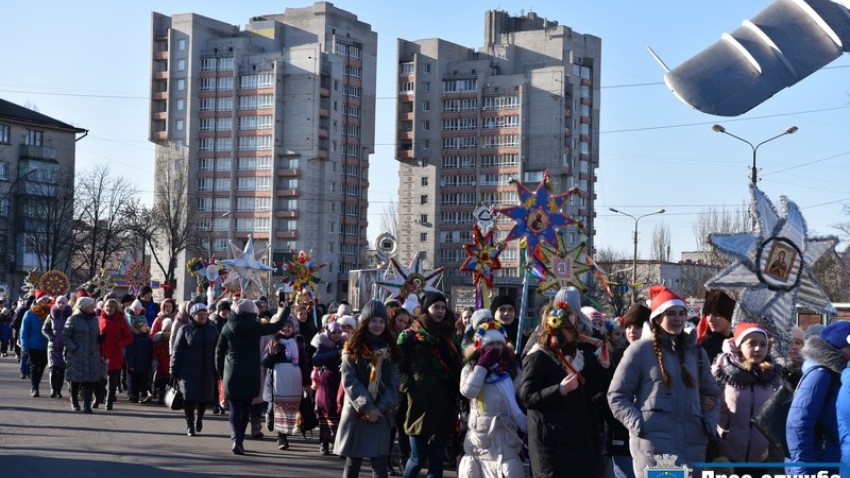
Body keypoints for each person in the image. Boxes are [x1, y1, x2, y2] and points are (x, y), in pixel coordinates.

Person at [608, 285, 720, 478]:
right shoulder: (640, 351)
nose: (677, 318)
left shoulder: (697, 353)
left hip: (693, 445)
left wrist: (707, 425)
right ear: (658, 318)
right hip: (655, 447)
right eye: (670, 313)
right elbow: (617, 396)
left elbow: (713, 395)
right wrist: (639, 424)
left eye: (681, 313)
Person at [520, 298, 606, 478]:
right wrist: (559, 389)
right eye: (570, 328)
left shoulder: (575, 355)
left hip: (576, 442)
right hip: (550, 447)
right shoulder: (538, 356)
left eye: (576, 326)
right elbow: (527, 396)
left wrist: (603, 368)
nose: (576, 333)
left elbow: (589, 394)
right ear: (555, 329)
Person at [397, 291, 463, 478]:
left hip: (445, 402)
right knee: (417, 459)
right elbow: (398, 368)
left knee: (436, 462)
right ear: (426, 310)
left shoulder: (450, 337)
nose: (440, 311)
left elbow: (460, 366)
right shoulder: (409, 336)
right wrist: (409, 387)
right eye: (436, 307)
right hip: (418, 404)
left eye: (443, 307)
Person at [334, 300, 400, 478]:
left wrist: (379, 408)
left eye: (381, 321)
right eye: (373, 321)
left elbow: (395, 384)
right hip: (357, 412)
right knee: (353, 462)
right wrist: (367, 408)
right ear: (364, 322)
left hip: (380, 412)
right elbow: (350, 381)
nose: (377, 325)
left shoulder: (391, 350)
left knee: (379, 465)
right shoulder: (352, 348)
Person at [458, 318, 526, 478]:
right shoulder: (471, 367)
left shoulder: (511, 368)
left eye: (498, 344)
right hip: (480, 437)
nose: (495, 348)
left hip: (506, 433)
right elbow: (468, 391)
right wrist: (481, 367)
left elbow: (520, 393)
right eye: (490, 344)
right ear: (480, 346)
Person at [215, 298, 284, 454]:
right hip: (251, 371)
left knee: (234, 408)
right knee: (246, 407)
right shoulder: (256, 327)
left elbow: (219, 351)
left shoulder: (227, 326)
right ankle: (240, 439)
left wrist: (220, 371)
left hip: (231, 371)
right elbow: (278, 326)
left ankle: (235, 439)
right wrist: (285, 310)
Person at [712, 321, 782, 469]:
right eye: (752, 344)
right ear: (738, 346)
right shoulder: (722, 372)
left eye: (763, 345)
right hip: (726, 457)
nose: (758, 349)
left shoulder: (772, 375)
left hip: (761, 458)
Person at [785, 320, 849, 476]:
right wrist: (803, 471)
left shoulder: (836, 373)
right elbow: (798, 424)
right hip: (816, 464)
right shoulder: (821, 374)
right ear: (839, 347)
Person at [603, 303, 649, 478]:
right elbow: (610, 398)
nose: (631, 331)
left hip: (653, 437)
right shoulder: (617, 356)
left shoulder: (660, 355)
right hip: (621, 433)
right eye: (628, 326)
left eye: (637, 326)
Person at [262, 314, 310, 450]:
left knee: (291, 408)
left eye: (289, 326)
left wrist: (307, 382)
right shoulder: (274, 342)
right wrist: (270, 354)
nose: (287, 329)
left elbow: (303, 363)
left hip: (295, 378)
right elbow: (265, 363)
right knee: (278, 407)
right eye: (283, 326)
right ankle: (277, 430)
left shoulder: (298, 342)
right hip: (278, 379)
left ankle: (284, 433)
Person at [172, 303, 219, 437]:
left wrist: (219, 367)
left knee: (204, 398)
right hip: (188, 370)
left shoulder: (212, 329)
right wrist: (173, 369)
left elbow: (219, 349)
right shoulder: (185, 329)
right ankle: (190, 424)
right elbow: (177, 350)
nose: (203, 317)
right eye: (200, 314)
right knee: (189, 398)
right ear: (193, 316)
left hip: (208, 369)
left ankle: (199, 417)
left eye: (205, 314)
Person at [61, 297, 102, 413]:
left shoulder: (95, 319)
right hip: (77, 355)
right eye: (90, 306)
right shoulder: (73, 319)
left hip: (92, 354)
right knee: (75, 380)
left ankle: (87, 406)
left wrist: (100, 338)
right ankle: (74, 401)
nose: (93, 308)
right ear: (83, 307)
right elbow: (65, 336)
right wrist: (74, 349)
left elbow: (96, 333)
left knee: (89, 381)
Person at [311, 320, 346, 456]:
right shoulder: (323, 344)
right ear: (328, 333)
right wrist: (337, 353)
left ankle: (338, 444)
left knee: (340, 411)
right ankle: (324, 443)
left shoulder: (345, 343)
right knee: (326, 410)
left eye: (339, 332)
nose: (337, 335)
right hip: (327, 379)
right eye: (334, 332)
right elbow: (316, 360)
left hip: (341, 380)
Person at [98, 298, 133, 410]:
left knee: (113, 380)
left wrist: (119, 345)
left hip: (115, 354)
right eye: (107, 306)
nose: (109, 309)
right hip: (101, 353)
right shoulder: (99, 319)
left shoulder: (121, 320)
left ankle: (109, 401)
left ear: (116, 308)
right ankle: (99, 397)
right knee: (100, 379)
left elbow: (129, 337)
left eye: (112, 307)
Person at [21, 290, 53, 397]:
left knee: (42, 367)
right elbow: (24, 331)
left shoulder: (50, 313)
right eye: (43, 299)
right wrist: (24, 346)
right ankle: (34, 388)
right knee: (34, 366)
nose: (45, 301)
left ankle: (36, 383)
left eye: (46, 299)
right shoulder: (30, 313)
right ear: (38, 301)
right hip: (33, 345)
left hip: (46, 345)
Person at [42, 296, 72, 398]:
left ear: (66, 304)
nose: (61, 305)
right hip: (53, 346)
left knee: (61, 370)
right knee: (53, 369)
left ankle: (59, 390)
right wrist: (51, 337)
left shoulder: (70, 316)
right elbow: (45, 329)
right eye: (59, 302)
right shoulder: (51, 316)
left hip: (65, 347)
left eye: (63, 303)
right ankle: (53, 389)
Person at [696, 289, 736, 364]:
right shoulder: (704, 344)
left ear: (729, 316)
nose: (710, 319)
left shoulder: (738, 341)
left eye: (716, 315)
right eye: (708, 314)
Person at [125, 317, 154, 403]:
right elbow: (129, 352)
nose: (145, 327)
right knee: (134, 381)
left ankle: (143, 396)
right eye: (143, 326)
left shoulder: (148, 339)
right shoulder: (133, 338)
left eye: (146, 325)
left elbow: (150, 352)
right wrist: (131, 364)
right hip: (135, 364)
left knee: (144, 381)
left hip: (145, 364)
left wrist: (150, 364)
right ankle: (134, 396)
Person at [151, 318, 172, 405]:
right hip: (161, 366)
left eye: (168, 330)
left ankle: (168, 399)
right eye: (164, 330)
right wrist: (155, 365)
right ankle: (161, 398)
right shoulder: (158, 341)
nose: (166, 333)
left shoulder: (172, 341)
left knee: (169, 384)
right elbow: (155, 354)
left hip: (169, 365)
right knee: (161, 384)